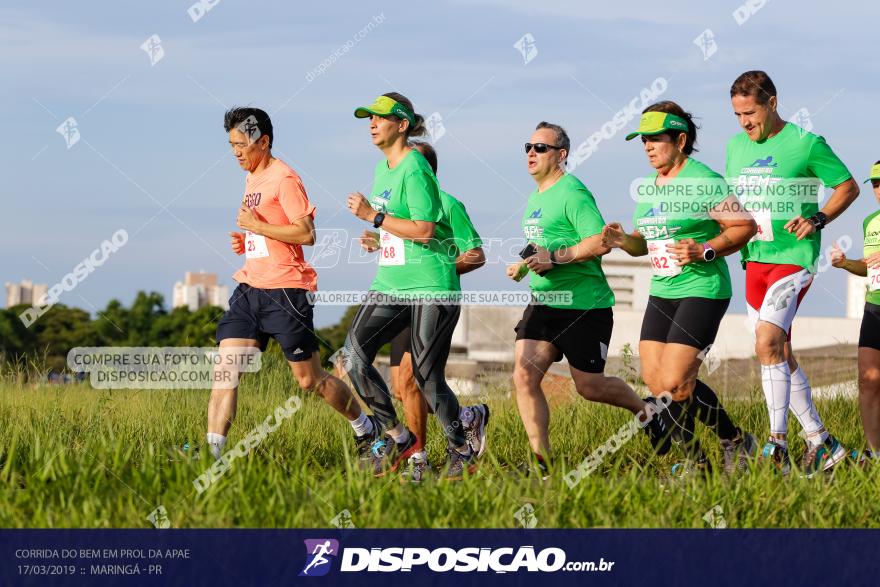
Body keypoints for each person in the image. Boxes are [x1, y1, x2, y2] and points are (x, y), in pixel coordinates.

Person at [208, 107, 372, 462]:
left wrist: (259, 226)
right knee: (226, 368)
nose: (236, 152)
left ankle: (365, 428)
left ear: (263, 142)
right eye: (231, 145)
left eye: (241, 145)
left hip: (286, 291)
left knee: (310, 381)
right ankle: (212, 455)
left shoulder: (285, 178)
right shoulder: (251, 176)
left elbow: (306, 234)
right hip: (250, 288)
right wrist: (248, 239)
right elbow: (269, 227)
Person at [603, 101, 758, 475]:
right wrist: (624, 240)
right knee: (658, 383)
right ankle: (696, 464)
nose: (648, 146)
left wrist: (704, 249)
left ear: (681, 139)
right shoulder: (652, 188)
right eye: (643, 140)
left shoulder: (704, 180)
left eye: (656, 139)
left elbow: (744, 227)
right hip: (663, 290)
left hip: (703, 288)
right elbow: (646, 243)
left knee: (676, 383)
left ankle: (735, 440)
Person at [507, 121, 667, 477]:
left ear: (561, 155)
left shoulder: (573, 192)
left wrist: (553, 258)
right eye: (528, 147)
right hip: (545, 302)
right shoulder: (536, 198)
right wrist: (525, 265)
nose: (531, 153)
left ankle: (647, 411)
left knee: (590, 387)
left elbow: (599, 242)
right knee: (524, 376)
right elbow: (544, 247)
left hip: (584, 306)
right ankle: (542, 463)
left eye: (541, 148)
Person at [343, 93, 488, 480]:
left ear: (402, 124)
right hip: (390, 285)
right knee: (353, 359)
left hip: (431, 287)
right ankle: (399, 437)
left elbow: (424, 231)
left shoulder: (416, 169)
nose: (371, 123)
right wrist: (380, 237)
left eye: (379, 118)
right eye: (367, 118)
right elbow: (401, 229)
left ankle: (461, 445)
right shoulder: (383, 170)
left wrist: (373, 216)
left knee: (425, 377)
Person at [726, 71, 859, 476]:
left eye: (751, 112)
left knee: (766, 342)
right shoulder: (735, 147)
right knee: (779, 351)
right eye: (737, 115)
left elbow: (847, 187)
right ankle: (821, 442)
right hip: (754, 261)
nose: (745, 122)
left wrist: (818, 218)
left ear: (772, 103)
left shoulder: (806, 144)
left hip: (793, 259)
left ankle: (776, 444)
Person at [830, 161, 880, 464]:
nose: (879, 189)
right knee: (868, 378)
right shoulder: (871, 222)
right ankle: (876, 453)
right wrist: (846, 263)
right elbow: (869, 265)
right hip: (875, 305)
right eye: (875, 183)